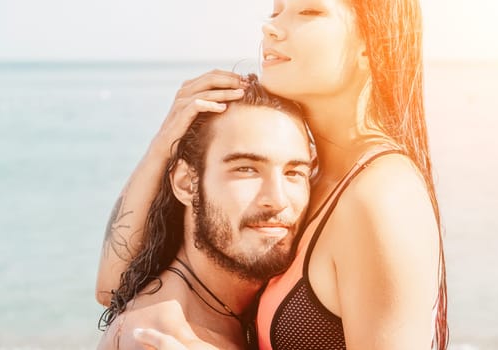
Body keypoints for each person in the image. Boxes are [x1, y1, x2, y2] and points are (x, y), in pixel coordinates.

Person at [96, 0, 449, 348]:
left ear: (373, 46)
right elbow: (113, 288)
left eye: (309, 11)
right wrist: (165, 143)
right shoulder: (310, 179)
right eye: (276, 11)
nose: (271, 27)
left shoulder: (382, 195)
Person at [97, 76, 313, 349]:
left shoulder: (227, 306)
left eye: (294, 172)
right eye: (246, 169)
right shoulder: (158, 339)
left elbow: (109, 289)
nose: (278, 199)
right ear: (186, 183)